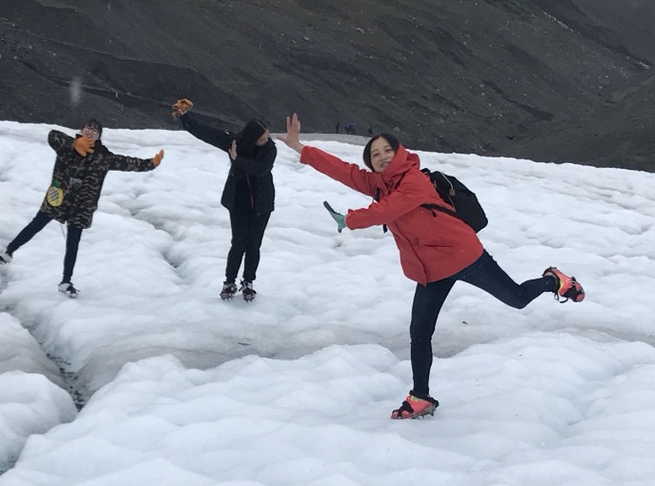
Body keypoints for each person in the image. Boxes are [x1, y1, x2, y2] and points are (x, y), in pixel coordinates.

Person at [283, 114, 584, 418]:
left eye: (387, 150)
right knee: (420, 332)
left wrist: (349, 219)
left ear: (398, 151)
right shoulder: (378, 184)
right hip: (430, 269)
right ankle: (420, 397)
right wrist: (300, 148)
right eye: (375, 155)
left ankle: (553, 280)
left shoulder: (414, 181)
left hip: (463, 255)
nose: (383, 157)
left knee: (517, 299)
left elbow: (387, 210)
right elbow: (344, 171)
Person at [0, 119, 163, 296]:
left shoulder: (103, 157)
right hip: (58, 199)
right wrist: (74, 143)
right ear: (81, 130)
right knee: (36, 225)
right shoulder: (66, 147)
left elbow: (127, 163)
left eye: (95, 130)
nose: (90, 132)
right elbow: (52, 135)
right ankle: (8, 252)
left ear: (99, 136)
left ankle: (66, 282)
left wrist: (151, 163)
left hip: (82, 206)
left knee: (73, 243)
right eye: (88, 128)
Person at [170, 97, 276, 301]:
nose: (267, 140)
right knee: (238, 244)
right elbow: (207, 133)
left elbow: (261, 170)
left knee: (253, 245)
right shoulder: (234, 143)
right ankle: (229, 282)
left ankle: (248, 282)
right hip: (238, 202)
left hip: (262, 204)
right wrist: (185, 118)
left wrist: (238, 159)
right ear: (251, 137)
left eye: (267, 136)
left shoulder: (270, 149)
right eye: (263, 137)